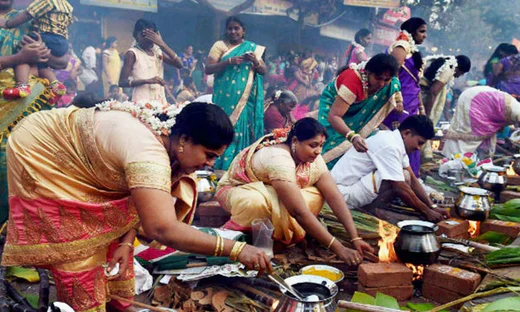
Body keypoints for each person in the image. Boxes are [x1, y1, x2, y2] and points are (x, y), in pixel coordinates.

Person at [2, 101, 272, 312]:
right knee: (78, 240)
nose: (211, 164)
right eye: (209, 155)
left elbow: (133, 200)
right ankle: (81, 303)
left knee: (109, 237)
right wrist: (236, 249)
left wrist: (126, 243)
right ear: (185, 140)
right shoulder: (150, 154)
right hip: (42, 147)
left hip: (84, 149)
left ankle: (115, 301)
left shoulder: (168, 140)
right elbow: (161, 227)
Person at [216, 118, 374, 266]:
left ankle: (281, 234)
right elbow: (298, 212)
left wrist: (355, 237)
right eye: (313, 145)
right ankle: (248, 240)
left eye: (321, 145)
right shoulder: (279, 158)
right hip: (237, 190)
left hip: (273, 191)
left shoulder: (313, 159)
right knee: (256, 202)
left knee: (316, 195)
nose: (318, 151)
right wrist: (339, 249)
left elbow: (334, 196)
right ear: (295, 141)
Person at [332, 115, 450, 223]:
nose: (418, 148)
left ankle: (372, 210)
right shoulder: (390, 145)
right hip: (342, 195)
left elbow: (413, 179)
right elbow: (400, 187)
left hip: (351, 188)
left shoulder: (397, 141)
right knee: (400, 178)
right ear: (406, 133)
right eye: (419, 143)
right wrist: (426, 212)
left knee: (406, 176)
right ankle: (367, 211)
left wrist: (432, 207)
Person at [318, 53, 402, 169]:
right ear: (368, 72)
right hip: (333, 110)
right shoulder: (353, 82)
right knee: (332, 144)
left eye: (386, 80)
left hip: (353, 115)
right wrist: (352, 136)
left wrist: (398, 100)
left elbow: (395, 83)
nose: (382, 84)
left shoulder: (389, 82)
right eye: (378, 78)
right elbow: (334, 116)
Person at [205, 16, 267, 170]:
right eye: (230, 28)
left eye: (236, 28)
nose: (233, 31)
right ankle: (220, 166)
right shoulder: (220, 45)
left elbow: (263, 71)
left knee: (243, 129)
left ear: (243, 31)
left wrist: (255, 61)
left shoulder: (253, 49)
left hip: (246, 101)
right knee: (224, 128)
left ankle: (240, 167)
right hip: (225, 98)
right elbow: (208, 68)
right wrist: (229, 62)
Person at [0, 0, 73, 100]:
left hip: (33, 104)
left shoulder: (32, 18)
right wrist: (19, 58)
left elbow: (63, 63)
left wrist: (40, 52)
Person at [384, 17, 427, 177]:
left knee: (412, 142)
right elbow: (392, 74)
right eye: (422, 31)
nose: (424, 35)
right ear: (412, 32)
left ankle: (410, 179)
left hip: (412, 105)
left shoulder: (413, 51)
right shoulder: (401, 47)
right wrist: (397, 98)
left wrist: (421, 107)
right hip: (398, 105)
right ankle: (395, 181)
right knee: (400, 141)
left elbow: (416, 85)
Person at [442, 86, 520, 157]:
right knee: (467, 133)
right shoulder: (517, 112)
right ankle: (457, 159)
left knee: (464, 131)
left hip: (474, 96)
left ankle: (456, 158)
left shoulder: (514, 109)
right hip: (475, 101)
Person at [119, 19, 183, 105]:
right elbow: (122, 82)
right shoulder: (132, 53)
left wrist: (162, 44)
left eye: (152, 35)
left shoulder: (157, 52)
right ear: (136, 36)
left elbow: (179, 64)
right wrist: (147, 81)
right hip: (141, 101)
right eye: (144, 35)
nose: (148, 39)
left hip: (160, 99)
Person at [420, 54, 471, 162]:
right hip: (422, 101)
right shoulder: (449, 68)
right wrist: (427, 115)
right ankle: (422, 160)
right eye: (461, 73)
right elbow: (433, 92)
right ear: (459, 68)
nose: (460, 76)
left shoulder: (445, 63)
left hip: (421, 99)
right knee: (422, 129)